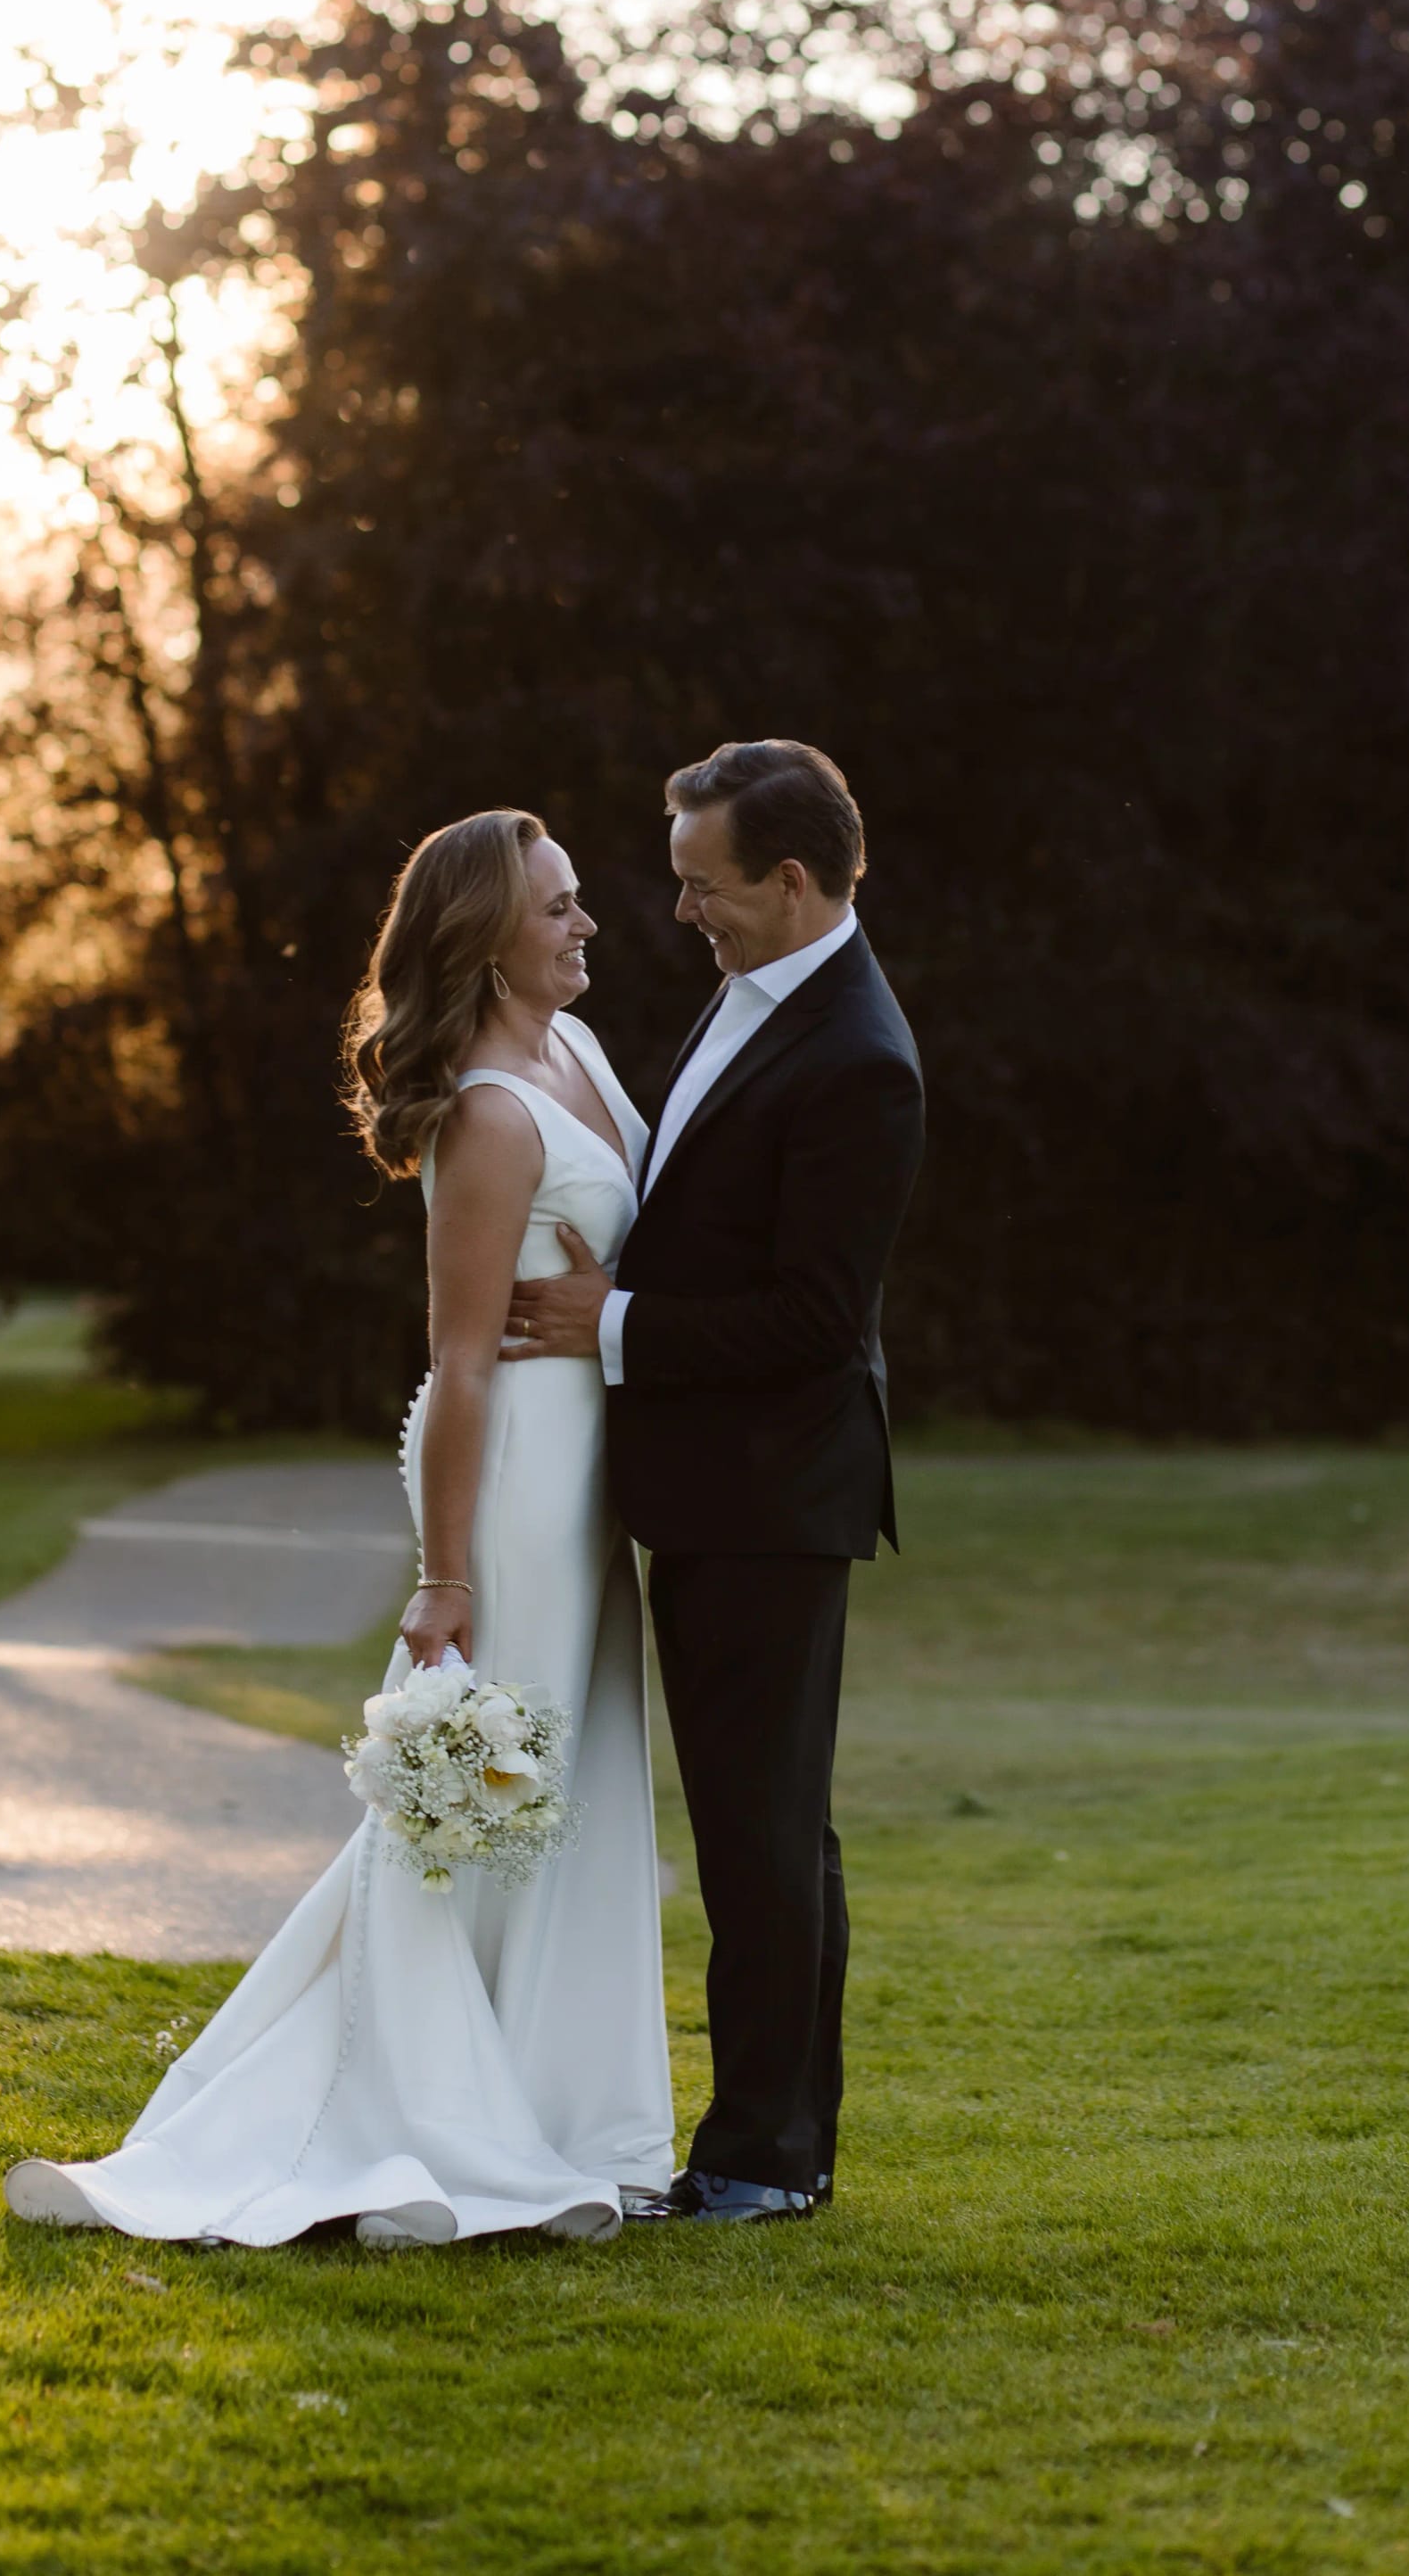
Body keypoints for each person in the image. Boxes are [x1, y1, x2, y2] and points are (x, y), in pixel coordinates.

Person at [5, 809, 673, 2250]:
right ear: (487, 938)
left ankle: (561, 2117)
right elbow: (462, 1364)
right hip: (516, 1492)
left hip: (592, 1482)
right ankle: (419, 2121)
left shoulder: (586, 1059)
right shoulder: (493, 1112)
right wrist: (445, 1575)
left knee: (572, 1788)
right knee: (490, 1796)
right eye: (558, 909)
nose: (587, 927)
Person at [503, 739, 924, 2225]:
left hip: (771, 1497)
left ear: (792, 881)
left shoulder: (859, 1058)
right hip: (713, 1486)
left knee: (758, 1834)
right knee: (770, 1826)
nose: (681, 912)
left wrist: (609, 1323)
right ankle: (780, 2145)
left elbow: (820, 1318)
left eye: (705, 885)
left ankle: (757, 2157)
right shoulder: (750, 1002)